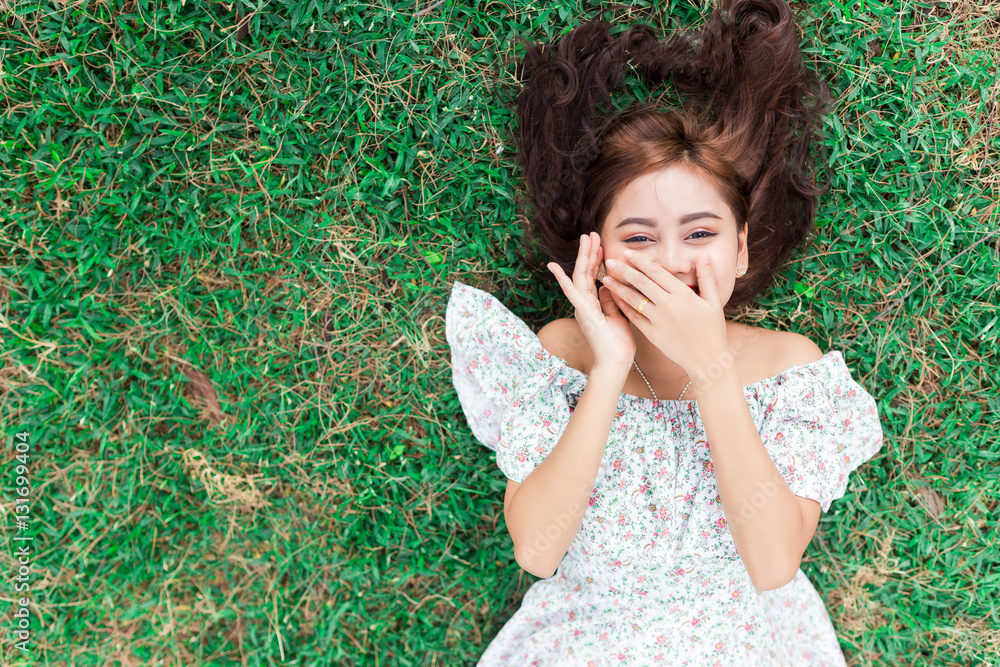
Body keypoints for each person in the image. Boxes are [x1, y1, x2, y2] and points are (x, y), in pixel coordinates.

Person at [445, 0, 884, 663]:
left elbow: (771, 564)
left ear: (739, 250)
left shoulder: (789, 369)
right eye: (640, 237)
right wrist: (609, 369)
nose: (672, 260)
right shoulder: (566, 357)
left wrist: (712, 368)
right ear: (599, 256)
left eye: (700, 233)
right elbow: (538, 550)